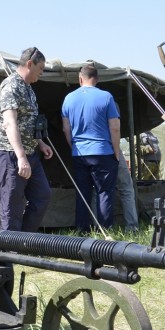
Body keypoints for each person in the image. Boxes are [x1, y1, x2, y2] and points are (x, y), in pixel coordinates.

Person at [0, 47, 53, 231]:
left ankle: (24, 241)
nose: (42, 72)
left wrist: (40, 143)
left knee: (42, 195)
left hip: (30, 153)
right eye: (40, 68)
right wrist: (21, 157)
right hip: (10, 154)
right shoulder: (11, 86)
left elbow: (29, 122)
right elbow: (10, 123)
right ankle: (9, 254)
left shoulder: (29, 89)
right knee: (11, 206)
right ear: (29, 64)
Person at [61, 64, 120, 232]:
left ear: (80, 78)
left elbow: (66, 129)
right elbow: (115, 127)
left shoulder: (68, 98)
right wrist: (116, 152)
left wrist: (74, 147)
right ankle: (105, 232)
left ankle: (82, 231)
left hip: (79, 153)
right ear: (97, 79)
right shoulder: (106, 97)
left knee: (82, 193)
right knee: (104, 192)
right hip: (103, 152)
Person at [116, 148, 139, 232]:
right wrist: (116, 153)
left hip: (82, 151)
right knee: (127, 190)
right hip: (109, 147)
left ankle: (99, 229)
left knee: (98, 191)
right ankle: (132, 228)